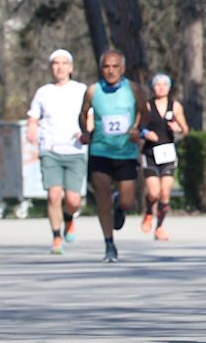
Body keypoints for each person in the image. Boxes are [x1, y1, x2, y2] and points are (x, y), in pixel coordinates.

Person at [78, 50, 145, 263]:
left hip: (125, 152)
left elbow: (146, 112)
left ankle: (120, 206)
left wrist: (138, 130)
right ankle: (109, 244)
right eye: (107, 66)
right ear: (101, 69)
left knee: (127, 200)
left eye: (115, 66)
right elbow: (82, 113)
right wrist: (86, 132)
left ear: (122, 69)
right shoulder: (92, 91)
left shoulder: (133, 89)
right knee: (102, 196)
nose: (111, 71)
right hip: (100, 151)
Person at [26, 49, 88, 255]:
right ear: (51, 67)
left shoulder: (81, 90)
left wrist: (86, 131)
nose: (59, 67)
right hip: (50, 149)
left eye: (64, 63)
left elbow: (91, 115)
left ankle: (69, 218)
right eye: (55, 63)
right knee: (53, 196)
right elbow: (33, 116)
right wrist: (32, 128)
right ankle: (56, 237)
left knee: (73, 200)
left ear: (71, 67)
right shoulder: (43, 92)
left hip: (75, 150)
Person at [139, 73, 188, 241]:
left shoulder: (175, 107)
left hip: (168, 153)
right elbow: (136, 128)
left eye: (164, 84)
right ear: (153, 87)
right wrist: (146, 133)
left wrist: (177, 128)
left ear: (169, 87)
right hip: (150, 154)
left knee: (165, 192)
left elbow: (185, 130)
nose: (161, 87)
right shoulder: (146, 106)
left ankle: (159, 227)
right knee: (154, 192)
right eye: (157, 84)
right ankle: (148, 212)